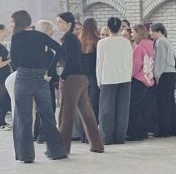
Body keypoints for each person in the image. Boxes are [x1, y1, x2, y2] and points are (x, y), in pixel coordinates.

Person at [9, 9, 66, 163]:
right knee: (48, 115)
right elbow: (60, 49)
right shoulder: (39, 35)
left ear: (18, 22)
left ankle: (26, 155)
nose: (11, 24)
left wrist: (22, 67)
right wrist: (50, 68)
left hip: (23, 77)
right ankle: (57, 151)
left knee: (23, 117)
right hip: (41, 78)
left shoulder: (16, 37)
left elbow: (14, 60)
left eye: (12, 21)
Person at [55, 12, 104, 155]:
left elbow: (71, 59)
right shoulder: (74, 38)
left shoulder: (69, 38)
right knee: (87, 113)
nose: (58, 25)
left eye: (60, 22)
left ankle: (62, 148)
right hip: (82, 78)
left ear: (69, 24)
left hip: (72, 78)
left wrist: (63, 75)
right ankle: (97, 144)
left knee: (66, 114)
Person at [96, 16, 133, 144]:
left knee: (106, 110)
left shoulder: (102, 43)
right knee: (123, 110)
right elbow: (130, 61)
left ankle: (106, 138)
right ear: (120, 27)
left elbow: (99, 63)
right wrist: (128, 75)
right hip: (125, 78)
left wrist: (99, 80)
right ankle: (119, 137)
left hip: (107, 78)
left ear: (108, 27)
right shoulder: (126, 42)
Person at [150, 23, 176, 137]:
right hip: (171, 73)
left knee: (163, 103)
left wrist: (156, 75)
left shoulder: (160, 42)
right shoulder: (166, 41)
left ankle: (164, 130)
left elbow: (160, 60)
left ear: (157, 31)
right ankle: (173, 129)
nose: (150, 33)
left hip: (165, 74)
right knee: (170, 102)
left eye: (151, 31)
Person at [127, 24, 154, 141]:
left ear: (139, 33)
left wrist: (128, 77)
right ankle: (143, 132)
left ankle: (137, 133)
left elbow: (135, 65)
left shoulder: (139, 47)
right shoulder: (150, 45)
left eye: (133, 32)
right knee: (142, 108)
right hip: (147, 80)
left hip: (138, 80)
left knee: (134, 108)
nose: (131, 34)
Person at [80, 18, 101, 123]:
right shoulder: (98, 42)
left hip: (82, 76)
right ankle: (94, 127)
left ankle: (85, 129)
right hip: (94, 76)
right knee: (94, 103)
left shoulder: (79, 42)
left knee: (84, 103)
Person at [0, 24, 12, 129]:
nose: (7, 32)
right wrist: (10, 60)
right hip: (2, 77)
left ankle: (2, 122)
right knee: (2, 100)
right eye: (6, 30)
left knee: (3, 99)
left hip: (4, 76)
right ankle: (1, 123)